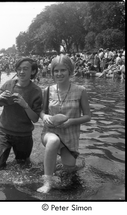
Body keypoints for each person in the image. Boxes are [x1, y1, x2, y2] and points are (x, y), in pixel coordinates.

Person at [37, 54, 91, 193]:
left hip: (70, 136)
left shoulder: (80, 91)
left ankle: (56, 163)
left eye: (63, 70)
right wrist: (45, 116)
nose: (59, 74)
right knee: (54, 141)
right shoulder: (47, 90)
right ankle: (47, 182)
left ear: (70, 71)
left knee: (69, 170)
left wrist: (71, 122)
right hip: (50, 132)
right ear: (52, 72)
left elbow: (87, 116)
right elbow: (41, 112)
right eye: (56, 70)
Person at [0, 57, 43, 170]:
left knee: (23, 167)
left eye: (25, 69)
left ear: (33, 72)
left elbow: (35, 119)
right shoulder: (9, 84)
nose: (21, 72)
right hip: (4, 132)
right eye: (19, 69)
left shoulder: (36, 91)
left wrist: (25, 105)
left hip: (23, 135)